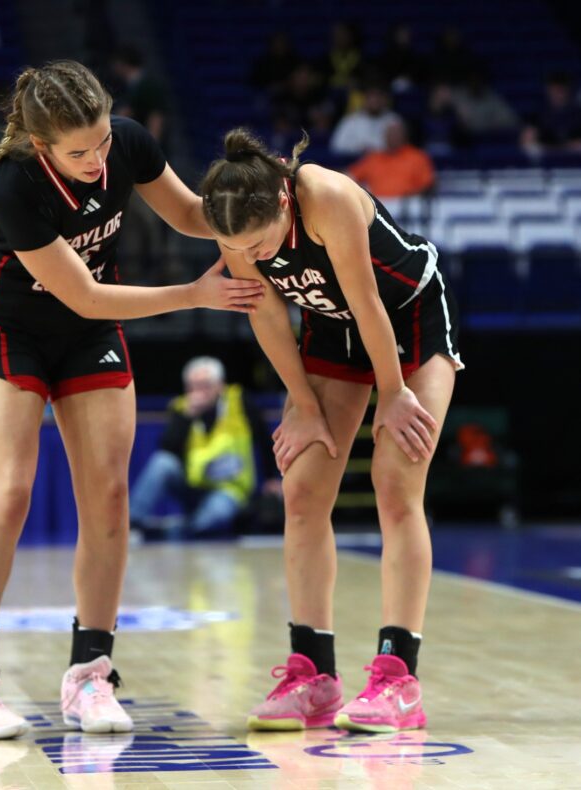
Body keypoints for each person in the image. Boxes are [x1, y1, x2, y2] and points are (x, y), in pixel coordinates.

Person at [0, 60, 264, 741]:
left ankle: (91, 673)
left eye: (101, 143)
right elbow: (82, 291)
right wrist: (192, 295)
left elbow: (191, 216)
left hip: (90, 334)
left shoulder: (127, 144)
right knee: (9, 494)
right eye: (78, 152)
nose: (97, 159)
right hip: (12, 328)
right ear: (41, 146)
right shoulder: (13, 183)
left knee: (111, 496)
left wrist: (258, 207)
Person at [200, 128, 463, 733]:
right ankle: (313, 675)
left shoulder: (325, 195)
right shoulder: (235, 218)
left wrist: (393, 394)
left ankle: (399, 678)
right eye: (242, 249)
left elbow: (370, 301)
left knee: (396, 484)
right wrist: (302, 402)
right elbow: (264, 311)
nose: (257, 258)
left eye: (263, 246)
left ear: (284, 206)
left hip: (407, 317)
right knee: (303, 489)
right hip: (333, 328)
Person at [129, 356, 281, 539]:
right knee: (162, 463)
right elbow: (167, 448)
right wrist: (187, 417)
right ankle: (132, 523)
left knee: (213, 519)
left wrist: (272, 477)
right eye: (192, 387)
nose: (198, 392)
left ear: (220, 385)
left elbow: (265, 439)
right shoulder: (182, 408)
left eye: (205, 385)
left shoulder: (239, 401)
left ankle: (176, 530)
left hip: (228, 489)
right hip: (192, 486)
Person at [348, 117, 435, 199]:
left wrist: (412, 196)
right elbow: (350, 177)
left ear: (404, 135)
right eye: (390, 133)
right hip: (378, 205)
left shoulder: (417, 157)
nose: (393, 136)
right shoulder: (374, 158)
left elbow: (428, 185)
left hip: (407, 205)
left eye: (396, 133)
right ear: (384, 136)